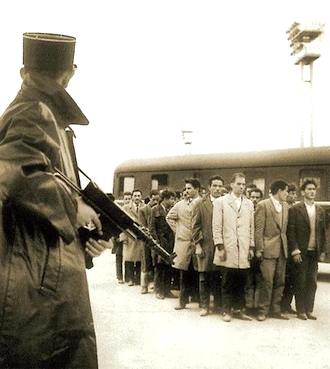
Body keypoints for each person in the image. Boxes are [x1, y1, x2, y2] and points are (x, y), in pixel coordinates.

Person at [0, 32, 108, 369]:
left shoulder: (43, 112)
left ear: (24, 71)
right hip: (40, 283)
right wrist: (76, 209)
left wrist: (82, 241)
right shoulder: (35, 111)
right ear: (70, 72)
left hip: (42, 272)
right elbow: (19, 173)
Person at [212, 173, 254, 322]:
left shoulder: (249, 203)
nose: (242, 187)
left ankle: (238, 309)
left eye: (244, 184)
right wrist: (220, 246)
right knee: (227, 280)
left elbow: (251, 227)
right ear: (231, 185)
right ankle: (226, 310)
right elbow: (216, 226)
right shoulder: (220, 202)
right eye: (239, 184)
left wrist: (251, 247)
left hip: (243, 248)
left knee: (241, 280)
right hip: (227, 247)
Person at [287, 179, 326, 320]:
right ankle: (301, 310)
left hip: (314, 252)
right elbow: (290, 231)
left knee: (312, 281)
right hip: (301, 252)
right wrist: (295, 250)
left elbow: (322, 233)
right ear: (303, 192)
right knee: (301, 280)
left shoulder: (320, 210)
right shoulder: (295, 209)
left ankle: (309, 309)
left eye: (313, 189)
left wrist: (322, 251)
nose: (312, 192)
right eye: (309, 189)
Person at [255, 180, 289, 321]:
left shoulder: (286, 206)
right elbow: (258, 229)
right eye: (286, 191)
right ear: (279, 191)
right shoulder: (263, 205)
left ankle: (276, 309)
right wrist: (259, 249)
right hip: (268, 249)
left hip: (282, 249)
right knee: (266, 281)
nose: (287, 194)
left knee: (280, 281)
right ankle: (263, 310)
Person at [166, 178, 201, 310]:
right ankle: (183, 301)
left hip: (198, 242)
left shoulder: (202, 203)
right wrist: (179, 230)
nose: (186, 191)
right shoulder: (180, 205)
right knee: (184, 273)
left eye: (189, 188)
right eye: (185, 188)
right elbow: (169, 217)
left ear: (197, 189)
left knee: (199, 272)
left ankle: (199, 300)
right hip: (184, 243)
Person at [192, 175, 224, 316]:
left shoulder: (225, 202)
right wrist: (198, 246)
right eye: (215, 186)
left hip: (221, 246)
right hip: (205, 245)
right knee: (204, 276)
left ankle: (217, 306)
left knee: (219, 276)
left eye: (220, 186)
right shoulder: (200, 204)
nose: (217, 189)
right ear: (209, 187)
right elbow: (195, 227)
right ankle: (204, 306)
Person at [150, 190, 176, 299]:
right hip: (160, 243)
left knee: (169, 267)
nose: (173, 201)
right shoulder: (155, 210)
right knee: (159, 267)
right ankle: (158, 291)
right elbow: (152, 228)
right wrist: (157, 243)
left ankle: (167, 290)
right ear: (165, 199)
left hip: (170, 242)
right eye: (171, 199)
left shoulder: (171, 210)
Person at [120, 189, 145, 286]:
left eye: (139, 196)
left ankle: (138, 279)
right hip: (130, 235)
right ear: (132, 197)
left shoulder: (145, 207)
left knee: (140, 258)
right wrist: (123, 238)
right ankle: (130, 278)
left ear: (141, 197)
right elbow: (121, 224)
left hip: (141, 236)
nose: (137, 198)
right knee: (129, 258)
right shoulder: (126, 208)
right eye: (135, 196)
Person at [245, 187, 263, 315]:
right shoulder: (246, 211)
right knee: (248, 280)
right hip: (248, 251)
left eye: (257, 197)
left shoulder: (263, 211)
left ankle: (256, 306)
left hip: (261, 251)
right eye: (253, 197)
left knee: (259, 279)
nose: (255, 200)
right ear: (249, 197)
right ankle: (248, 305)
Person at [281, 183, 298, 313]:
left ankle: (287, 304)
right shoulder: (283, 208)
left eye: (294, 193)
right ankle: (281, 304)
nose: (292, 196)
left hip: (293, 246)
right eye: (290, 193)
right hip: (283, 247)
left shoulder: (296, 208)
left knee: (292, 278)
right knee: (284, 279)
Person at [138, 189, 160, 294]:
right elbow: (142, 225)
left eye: (157, 199)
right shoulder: (143, 210)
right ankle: (144, 286)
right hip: (146, 240)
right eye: (154, 199)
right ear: (150, 198)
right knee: (146, 262)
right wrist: (149, 235)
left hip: (156, 239)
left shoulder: (158, 209)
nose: (156, 201)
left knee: (156, 262)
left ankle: (155, 285)